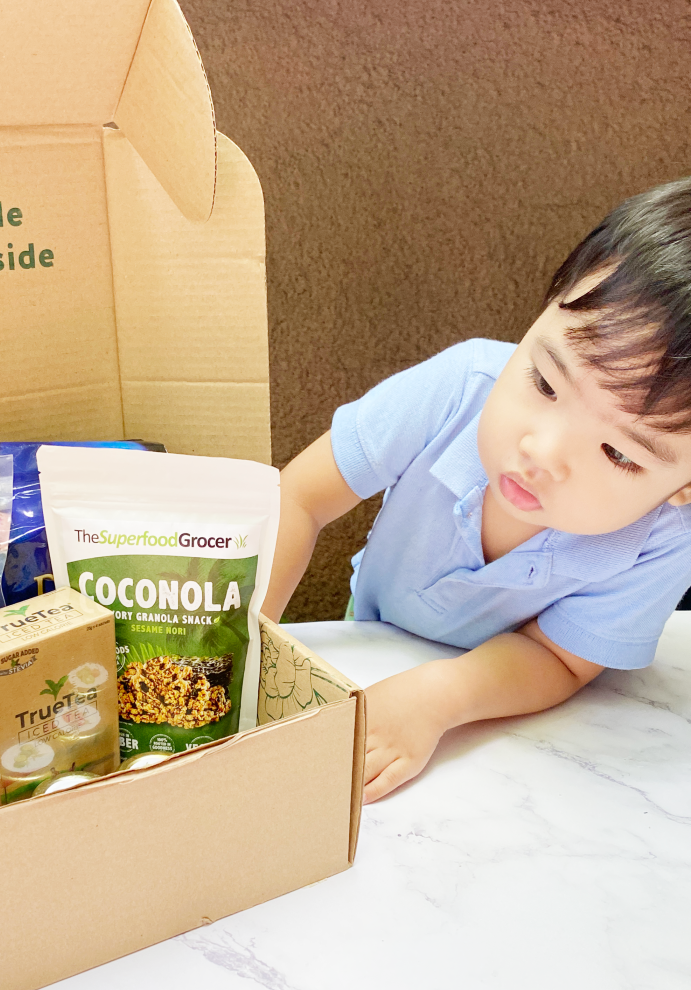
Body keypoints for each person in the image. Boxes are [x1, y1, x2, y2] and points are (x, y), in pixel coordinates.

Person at [261, 178, 691, 803]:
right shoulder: (459, 388)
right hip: (370, 633)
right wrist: (240, 635)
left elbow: (562, 659)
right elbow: (298, 497)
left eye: (618, 452)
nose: (541, 453)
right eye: (544, 383)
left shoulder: (663, 541)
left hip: (509, 718)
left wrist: (440, 697)